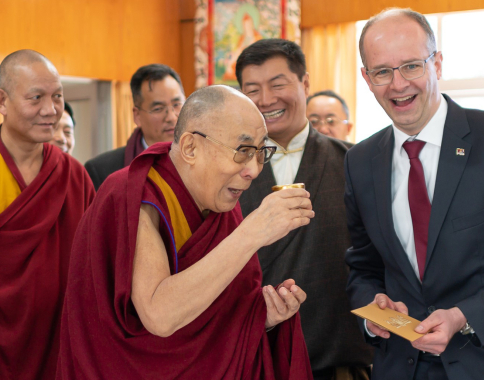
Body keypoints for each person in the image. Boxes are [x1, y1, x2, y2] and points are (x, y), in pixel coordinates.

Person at [56, 85, 315, 380]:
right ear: (191, 147)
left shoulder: (218, 201)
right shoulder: (134, 194)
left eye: (260, 152)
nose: (253, 170)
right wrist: (252, 233)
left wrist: (263, 316)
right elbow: (159, 315)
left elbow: (217, 311)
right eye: (243, 151)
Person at [344, 8, 484, 380]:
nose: (398, 84)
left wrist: (463, 317)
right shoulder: (360, 160)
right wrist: (372, 310)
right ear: (367, 79)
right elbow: (363, 266)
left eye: (412, 66)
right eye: (383, 71)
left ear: (438, 64)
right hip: (401, 366)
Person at [236, 39, 373, 380]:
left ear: (305, 83)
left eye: (277, 84)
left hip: (339, 356)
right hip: (252, 357)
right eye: (252, 89)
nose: (266, 99)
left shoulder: (355, 162)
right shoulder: (227, 172)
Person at [0, 50, 95, 380]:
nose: (50, 110)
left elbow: (93, 273)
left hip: (58, 353)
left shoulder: (74, 176)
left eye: (56, 97)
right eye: (36, 97)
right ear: (2, 101)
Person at [85, 64, 185, 190]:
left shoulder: (204, 160)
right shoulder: (102, 170)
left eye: (177, 104)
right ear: (137, 116)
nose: (171, 117)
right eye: (158, 108)